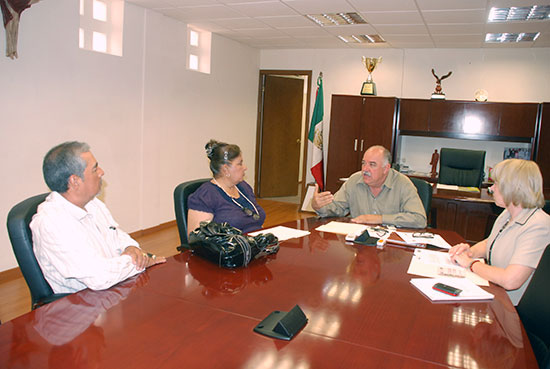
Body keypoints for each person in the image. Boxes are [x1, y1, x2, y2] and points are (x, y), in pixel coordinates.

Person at [30, 141, 165, 294]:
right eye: (95, 169)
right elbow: (99, 277)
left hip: (114, 290)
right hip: (80, 306)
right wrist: (141, 261)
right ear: (75, 181)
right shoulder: (50, 223)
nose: (101, 172)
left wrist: (131, 248)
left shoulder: (92, 203)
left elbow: (117, 235)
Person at [449, 159, 550, 306]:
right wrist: (469, 251)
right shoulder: (508, 213)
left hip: (514, 308)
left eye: (496, 184)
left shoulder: (539, 226)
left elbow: (510, 281)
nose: (491, 189)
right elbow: (492, 242)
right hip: (495, 294)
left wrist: (471, 264)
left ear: (512, 187)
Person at [312, 145, 426, 228]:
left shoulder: (403, 184)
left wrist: (379, 219)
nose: (365, 169)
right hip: (360, 243)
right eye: (363, 163)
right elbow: (337, 208)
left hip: (390, 248)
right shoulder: (354, 181)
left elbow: (419, 219)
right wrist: (318, 206)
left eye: (372, 164)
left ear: (386, 168)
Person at [187, 139, 266, 234]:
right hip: (232, 247)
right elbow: (197, 239)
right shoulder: (205, 196)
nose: (245, 167)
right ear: (226, 169)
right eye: (239, 164)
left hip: (256, 243)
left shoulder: (243, 187)